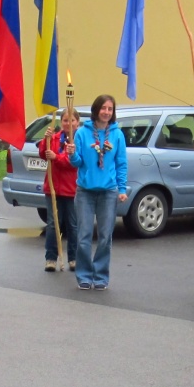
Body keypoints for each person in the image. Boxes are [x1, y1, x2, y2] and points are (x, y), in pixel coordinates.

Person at [68, 94, 128, 290]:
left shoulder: (117, 135)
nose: (106, 112)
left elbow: (121, 163)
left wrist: (122, 188)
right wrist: (72, 154)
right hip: (85, 191)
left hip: (108, 192)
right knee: (84, 236)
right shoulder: (81, 133)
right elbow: (77, 162)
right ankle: (84, 275)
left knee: (105, 237)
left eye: (110, 109)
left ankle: (101, 276)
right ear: (96, 109)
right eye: (103, 108)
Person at [40, 106, 81, 272]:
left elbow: (73, 163)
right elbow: (43, 154)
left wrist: (56, 158)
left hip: (71, 189)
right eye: (65, 120)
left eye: (71, 120)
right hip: (53, 188)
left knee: (72, 225)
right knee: (53, 224)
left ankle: (74, 258)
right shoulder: (56, 137)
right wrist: (45, 140)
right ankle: (50, 258)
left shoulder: (79, 140)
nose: (68, 123)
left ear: (77, 122)